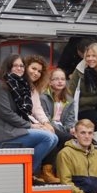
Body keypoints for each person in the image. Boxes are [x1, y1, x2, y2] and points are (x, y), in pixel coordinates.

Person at [0, 54, 58, 182]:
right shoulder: (0, 85)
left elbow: (30, 111)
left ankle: (28, 171)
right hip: (4, 134)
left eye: (21, 66)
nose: (19, 68)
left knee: (54, 138)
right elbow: (6, 113)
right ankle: (27, 172)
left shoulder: (22, 86)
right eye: (15, 65)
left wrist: (42, 124)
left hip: (16, 131)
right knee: (47, 138)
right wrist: (31, 126)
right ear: (8, 67)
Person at [24, 55, 60, 183]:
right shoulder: (18, 86)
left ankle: (40, 171)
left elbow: (38, 110)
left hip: (32, 122)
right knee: (50, 137)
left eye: (39, 71)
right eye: (33, 68)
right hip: (20, 127)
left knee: (54, 135)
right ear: (25, 67)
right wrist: (36, 125)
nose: (36, 73)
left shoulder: (33, 89)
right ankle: (33, 171)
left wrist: (46, 123)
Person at [40, 67, 76, 173]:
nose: (60, 81)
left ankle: (65, 171)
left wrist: (70, 128)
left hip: (62, 129)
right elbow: (45, 118)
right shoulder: (43, 98)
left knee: (75, 137)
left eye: (62, 79)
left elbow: (70, 119)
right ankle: (50, 171)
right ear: (50, 82)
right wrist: (60, 130)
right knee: (67, 139)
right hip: (48, 127)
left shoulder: (70, 100)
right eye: (56, 79)